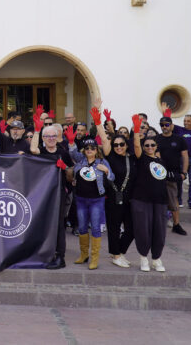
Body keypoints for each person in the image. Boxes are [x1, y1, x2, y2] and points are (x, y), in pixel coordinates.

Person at [67, 111, 114, 270]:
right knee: (81, 228)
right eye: (87, 147)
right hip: (80, 198)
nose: (89, 150)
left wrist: (106, 171)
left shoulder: (102, 161)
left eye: (92, 147)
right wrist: (72, 142)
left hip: (96, 200)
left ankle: (94, 258)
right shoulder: (80, 160)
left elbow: (112, 177)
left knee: (94, 227)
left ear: (96, 149)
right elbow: (72, 151)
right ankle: (84, 254)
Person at [93, 105, 136, 268]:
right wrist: (98, 122)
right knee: (114, 227)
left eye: (121, 144)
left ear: (126, 145)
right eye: (116, 144)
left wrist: (136, 130)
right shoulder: (110, 155)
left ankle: (119, 251)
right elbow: (104, 139)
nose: (118, 146)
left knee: (132, 228)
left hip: (129, 198)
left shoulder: (131, 158)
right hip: (113, 198)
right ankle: (116, 255)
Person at [30, 125, 74, 269]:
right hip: (42, 193)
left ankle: (60, 257)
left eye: (53, 136)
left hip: (59, 193)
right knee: (43, 223)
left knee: (58, 225)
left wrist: (65, 168)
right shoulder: (41, 151)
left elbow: (71, 176)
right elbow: (32, 150)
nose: (50, 139)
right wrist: (36, 131)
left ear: (57, 138)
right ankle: (44, 254)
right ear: (43, 138)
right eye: (47, 136)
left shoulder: (63, 153)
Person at [130, 115, 168, 272]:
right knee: (143, 229)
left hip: (160, 200)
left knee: (159, 231)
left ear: (156, 146)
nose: (150, 147)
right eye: (147, 145)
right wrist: (137, 130)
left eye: (152, 145)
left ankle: (157, 259)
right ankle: (143, 258)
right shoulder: (141, 158)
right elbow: (137, 147)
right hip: (141, 200)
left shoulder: (160, 161)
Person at [156, 116, 188, 236]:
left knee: (174, 199)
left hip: (174, 173)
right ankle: (158, 225)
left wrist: (184, 172)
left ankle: (176, 224)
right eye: (162, 125)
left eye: (167, 124)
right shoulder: (157, 138)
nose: (164, 127)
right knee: (159, 200)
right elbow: (156, 156)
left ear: (172, 125)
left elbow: (185, 156)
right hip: (159, 174)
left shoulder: (179, 140)